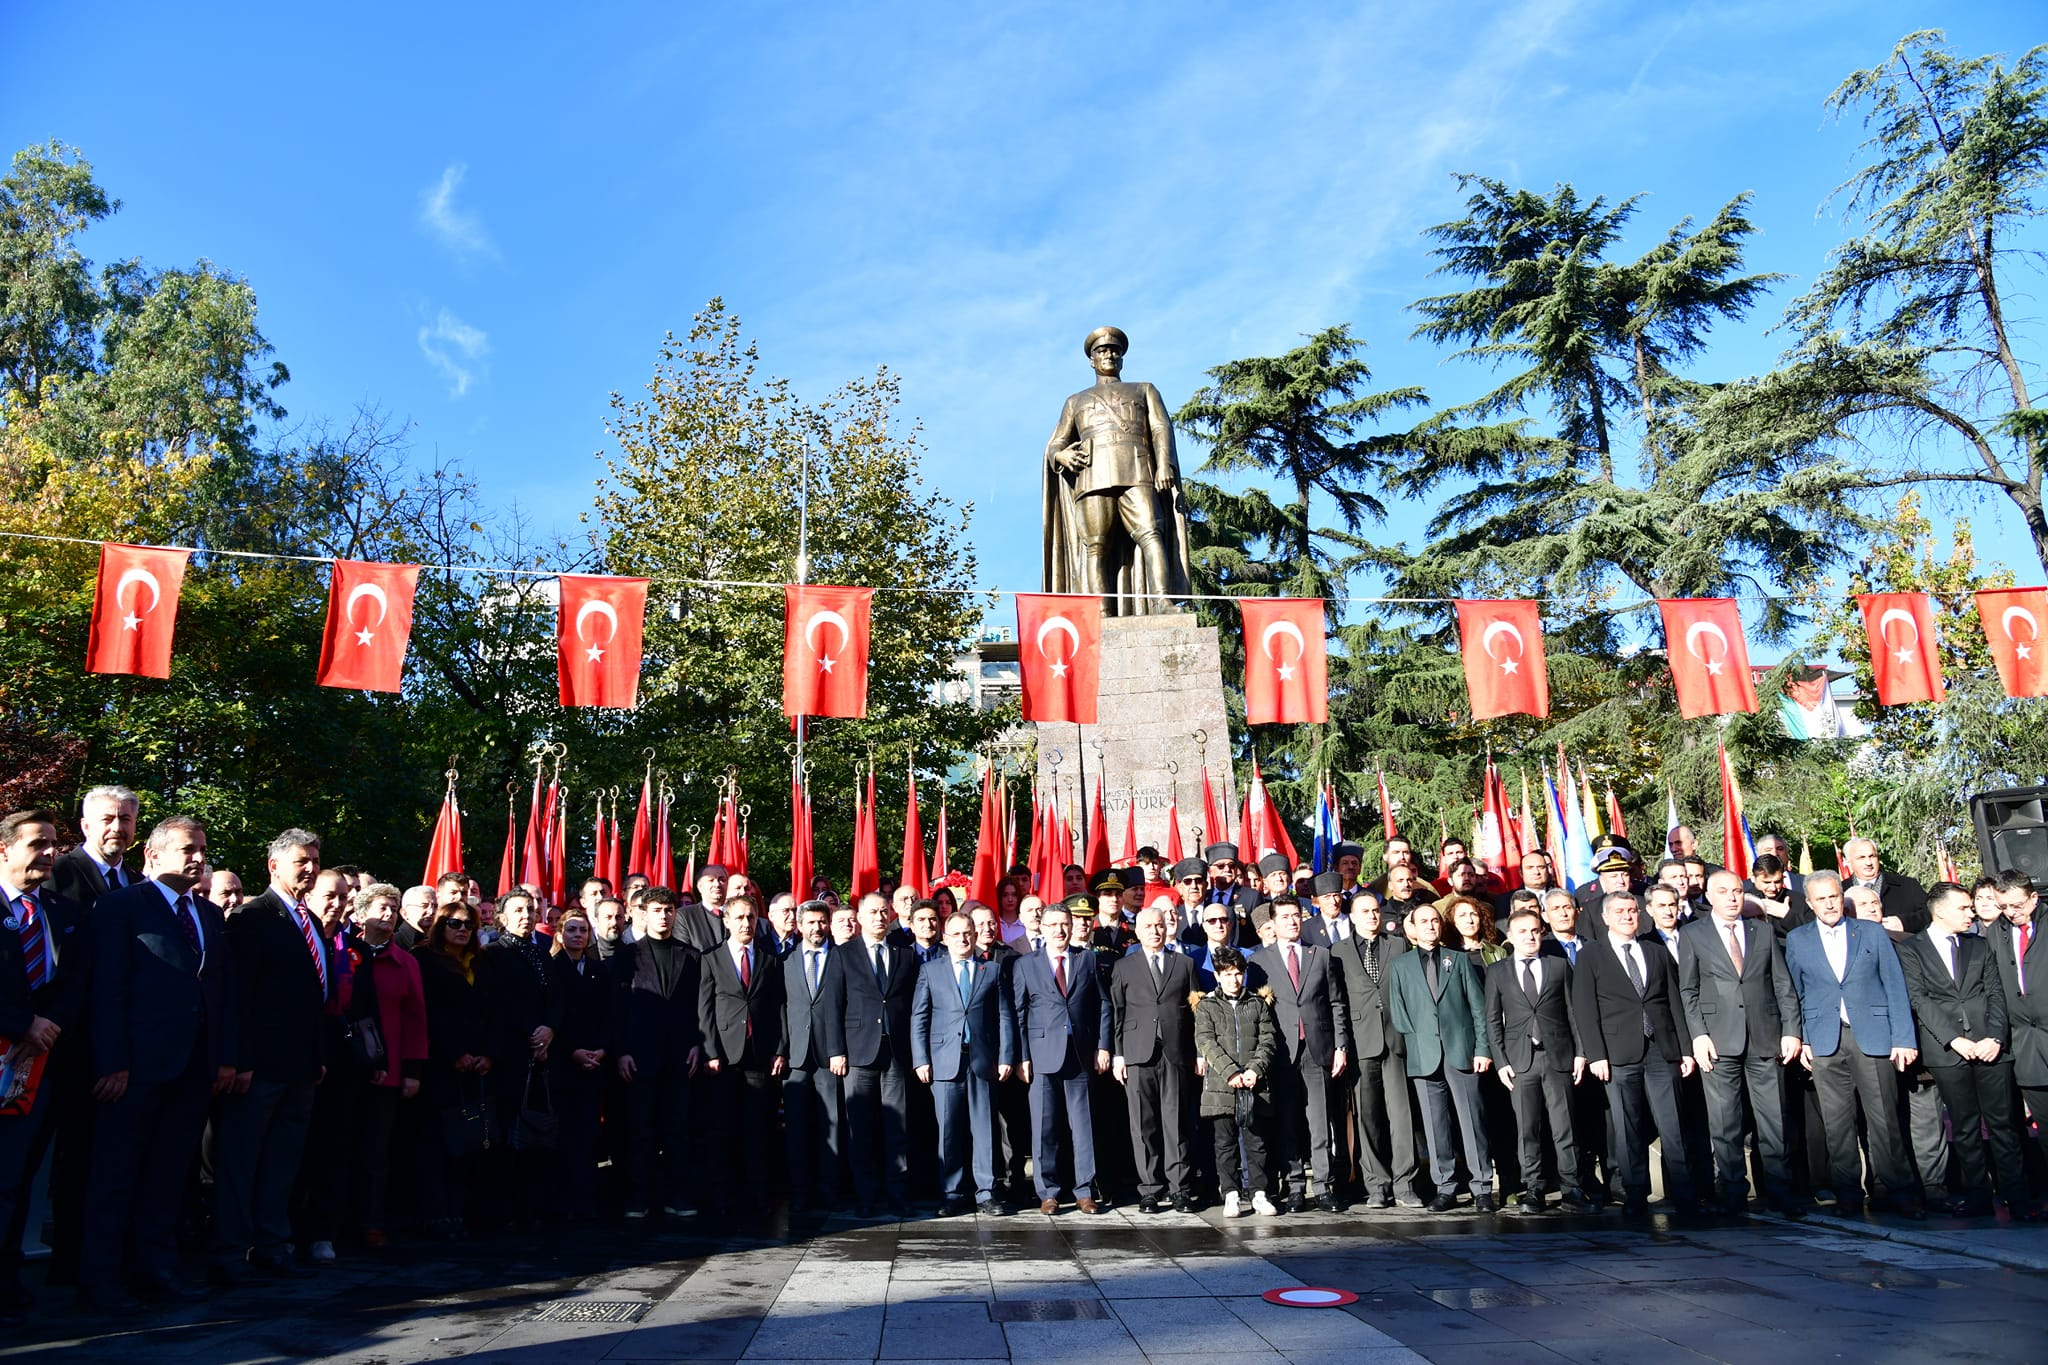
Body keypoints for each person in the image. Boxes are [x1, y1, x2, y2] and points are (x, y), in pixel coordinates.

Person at [73, 816, 230, 1309]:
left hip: (191, 1069)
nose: (198, 859)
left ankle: (154, 1269)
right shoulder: (121, 907)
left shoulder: (208, 916)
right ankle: (101, 1281)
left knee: (166, 1174)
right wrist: (112, 1061)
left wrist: (223, 1057)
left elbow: (219, 993)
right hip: (134, 1069)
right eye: (187, 849)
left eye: (202, 850)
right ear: (153, 856)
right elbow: (108, 990)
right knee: (115, 1175)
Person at [213, 829, 334, 1282]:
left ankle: (271, 1244)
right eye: (302, 860)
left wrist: (316, 1056)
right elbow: (239, 998)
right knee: (240, 1162)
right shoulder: (251, 918)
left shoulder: (309, 921)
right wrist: (239, 1060)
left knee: (282, 1163)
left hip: (301, 1067)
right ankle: (230, 1251)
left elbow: (314, 998)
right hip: (258, 1067)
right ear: (274, 866)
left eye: (315, 860)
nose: (310, 868)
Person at [1781, 871, 1923, 1218]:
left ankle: (1897, 1190)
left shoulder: (1871, 932)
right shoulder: (1798, 940)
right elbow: (1794, 994)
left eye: (1834, 897)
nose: (1829, 904)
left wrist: (1903, 1038)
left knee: (1885, 1119)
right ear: (1810, 904)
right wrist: (1803, 1038)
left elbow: (1895, 987)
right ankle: (1848, 1192)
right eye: (1822, 899)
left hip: (1873, 1037)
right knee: (1838, 1123)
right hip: (1825, 1041)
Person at [1897, 882, 2030, 1218]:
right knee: (1964, 1126)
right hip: (1947, 1051)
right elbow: (1919, 1000)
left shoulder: (1979, 946)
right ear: (1939, 910)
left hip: (1990, 1048)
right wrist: (1953, 1039)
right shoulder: (1912, 949)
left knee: (2003, 1125)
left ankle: (2017, 1197)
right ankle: (1977, 1197)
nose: (1971, 913)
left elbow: (1997, 994)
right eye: (1964, 908)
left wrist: (1995, 1038)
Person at [1041, 325, 1192, 613]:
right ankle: (1101, 614)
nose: (1108, 354)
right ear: (1092, 360)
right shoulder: (1075, 401)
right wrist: (1060, 457)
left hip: (1138, 470)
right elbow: (1056, 443)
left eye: (1114, 350)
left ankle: (1163, 600)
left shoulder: (1144, 389)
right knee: (1096, 547)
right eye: (1101, 351)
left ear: (1122, 358)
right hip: (1093, 475)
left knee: (1151, 533)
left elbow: (1161, 428)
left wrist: (1164, 465)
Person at [1678, 870, 1803, 1216]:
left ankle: (1780, 1190)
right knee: (1725, 1120)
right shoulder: (1693, 934)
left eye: (1737, 891)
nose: (1733, 897)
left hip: (1765, 1037)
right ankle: (1732, 1191)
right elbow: (1688, 990)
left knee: (1773, 1120)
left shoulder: (1761, 931)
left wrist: (1791, 1030)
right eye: (1724, 891)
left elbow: (1782, 985)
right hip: (1718, 1040)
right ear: (1709, 895)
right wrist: (1698, 1035)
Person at [1570, 890, 1697, 1214]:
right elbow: (1585, 1008)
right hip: (1617, 1054)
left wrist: (1684, 1049)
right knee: (1628, 1129)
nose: (1628, 916)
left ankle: (1684, 1195)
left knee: (1673, 1126)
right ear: (1606, 917)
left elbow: (1672, 1002)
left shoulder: (1654, 951)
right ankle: (1635, 1195)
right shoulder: (1591, 955)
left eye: (1632, 910)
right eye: (1621, 911)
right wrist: (1596, 1054)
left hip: (1661, 1050)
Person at [1483, 907, 1592, 1214]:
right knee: (1527, 1128)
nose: (1530, 937)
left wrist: (1581, 1053)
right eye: (1523, 932)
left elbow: (1573, 1012)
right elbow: (1492, 1021)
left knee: (1565, 1126)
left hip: (1558, 1058)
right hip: (1519, 1062)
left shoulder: (1558, 966)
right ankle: (1534, 1189)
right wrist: (1501, 1061)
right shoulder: (1498, 972)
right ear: (1510, 936)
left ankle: (1572, 1188)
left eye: (1534, 931)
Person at [1009, 899, 1113, 1214]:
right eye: (1052, 925)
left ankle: (1084, 1191)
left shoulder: (1087, 960)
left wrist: (1103, 1045)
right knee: (1045, 1128)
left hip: (1080, 1054)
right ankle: (1048, 1192)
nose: (1059, 930)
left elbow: (1104, 1005)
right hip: (1041, 1057)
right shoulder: (1025, 964)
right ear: (1041, 927)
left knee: (1083, 1127)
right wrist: (1022, 1056)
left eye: (1064, 924)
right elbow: (1019, 1013)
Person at [1388, 902, 1494, 1212]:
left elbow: (1478, 1008)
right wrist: (1420, 1042)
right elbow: (1400, 1012)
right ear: (1413, 929)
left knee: (1472, 1120)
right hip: (1425, 1055)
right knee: (1436, 1125)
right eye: (1424, 922)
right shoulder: (1401, 966)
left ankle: (1482, 1185)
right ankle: (1445, 1186)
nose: (1431, 926)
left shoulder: (1458, 960)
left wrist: (1481, 1049)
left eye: (1435, 920)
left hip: (1461, 1051)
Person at [911, 911, 1018, 1216]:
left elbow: (1005, 1016)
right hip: (945, 1061)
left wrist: (1006, 1056)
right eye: (956, 934)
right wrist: (921, 1058)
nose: (962, 939)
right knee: (948, 1129)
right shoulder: (931, 971)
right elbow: (919, 1017)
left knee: (985, 1128)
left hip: (982, 1060)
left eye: (967, 933)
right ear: (945, 939)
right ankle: (952, 1192)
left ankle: (986, 1192)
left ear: (975, 935)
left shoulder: (991, 970)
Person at [340, 884, 427, 1247]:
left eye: (394, 909)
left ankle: (372, 1220)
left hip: (388, 1069)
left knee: (377, 1150)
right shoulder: (343, 952)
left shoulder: (406, 961)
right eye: (382, 908)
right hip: (345, 1067)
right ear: (361, 915)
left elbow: (416, 1018)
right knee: (339, 1146)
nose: (389, 915)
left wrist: (412, 1070)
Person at [1250, 896, 1349, 1211]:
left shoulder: (1320, 955)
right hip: (1280, 1052)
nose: (1292, 922)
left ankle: (1322, 1186)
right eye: (1285, 917)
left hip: (1317, 1048)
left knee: (1319, 1122)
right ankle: (1294, 1185)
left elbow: (1336, 1003)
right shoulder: (1259, 962)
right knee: (1288, 1122)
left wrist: (1341, 1045)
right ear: (1274, 923)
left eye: (1297, 916)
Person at [611, 886, 703, 1221]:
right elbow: (617, 1008)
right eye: (657, 910)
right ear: (642, 913)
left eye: (669, 910)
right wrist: (621, 1051)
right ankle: (639, 1196)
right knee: (640, 1129)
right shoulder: (626, 955)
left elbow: (698, 1006)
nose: (663, 916)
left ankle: (677, 1195)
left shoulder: (691, 955)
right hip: (639, 1056)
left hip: (680, 1056)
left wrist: (695, 1042)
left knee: (678, 1128)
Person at [825, 892, 918, 1218]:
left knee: (898, 1128)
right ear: (860, 918)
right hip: (857, 1054)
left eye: (883, 911)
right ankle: (866, 1195)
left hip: (895, 1052)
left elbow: (912, 1007)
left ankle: (897, 1193)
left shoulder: (904, 955)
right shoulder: (843, 954)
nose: (879, 917)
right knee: (861, 1129)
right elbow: (832, 1006)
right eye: (872, 912)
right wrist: (836, 1051)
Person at [697, 894, 786, 1213]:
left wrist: (779, 1049)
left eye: (750, 917)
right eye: (739, 917)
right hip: (723, 1060)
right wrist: (710, 1050)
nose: (746, 923)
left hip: (759, 1057)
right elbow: (704, 1009)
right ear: (727, 922)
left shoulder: (769, 959)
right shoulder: (710, 958)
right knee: (722, 1130)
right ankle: (722, 1197)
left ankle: (756, 1197)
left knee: (758, 1130)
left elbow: (778, 1007)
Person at [1329, 893, 1417, 1209]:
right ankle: (1377, 1186)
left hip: (1396, 1039)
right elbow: (1337, 999)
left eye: (1376, 910)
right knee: (1368, 1118)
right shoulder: (1337, 952)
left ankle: (1405, 1184)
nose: (1372, 916)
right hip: (1360, 1041)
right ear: (1351, 916)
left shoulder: (1398, 945)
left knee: (1401, 1115)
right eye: (1364, 911)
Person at [1110, 906, 1198, 1213]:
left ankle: (1180, 1188)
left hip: (1176, 1052)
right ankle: (1149, 1189)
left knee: (1176, 1122)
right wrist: (1118, 1054)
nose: (1155, 931)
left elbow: (1196, 1013)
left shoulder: (1184, 964)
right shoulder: (1124, 966)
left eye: (1159, 925)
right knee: (1143, 1124)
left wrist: (1198, 1053)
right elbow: (1118, 1013)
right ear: (1137, 931)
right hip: (1137, 1052)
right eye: (1148, 926)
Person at [413, 902, 492, 1238]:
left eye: (468, 924)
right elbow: (428, 1013)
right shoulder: (424, 960)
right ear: (440, 926)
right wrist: (455, 1052)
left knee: (469, 1141)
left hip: (478, 1067)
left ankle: (462, 1211)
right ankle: (436, 1212)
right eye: (454, 923)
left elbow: (495, 1012)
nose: (462, 929)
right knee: (434, 1141)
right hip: (440, 1066)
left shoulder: (484, 962)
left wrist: (489, 1053)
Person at [1194, 947, 1277, 1217]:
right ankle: (1230, 1193)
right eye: (1227, 974)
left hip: (1254, 1083)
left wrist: (1254, 1069)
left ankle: (1259, 1193)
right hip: (1222, 1085)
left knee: (1256, 1142)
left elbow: (1268, 1040)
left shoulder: (1257, 1003)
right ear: (1218, 976)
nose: (1234, 980)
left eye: (1238, 973)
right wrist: (1230, 1072)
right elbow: (1206, 1041)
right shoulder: (1206, 1006)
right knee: (1225, 1143)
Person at [778, 900, 844, 1214]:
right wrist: (781, 1050)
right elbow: (780, 1009)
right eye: (812, 923)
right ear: (800, 926)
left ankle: (830, 1190)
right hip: (795, 1056)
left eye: (822, 922)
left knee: (831, 1125)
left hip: (830, 1056)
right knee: (797, 1128)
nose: (817, 928)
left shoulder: (842, 959)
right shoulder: (786, 961)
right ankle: (801, 1191)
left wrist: (839, 1050)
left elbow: (848, 1009)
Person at [547, 908, 611, 1220]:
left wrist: (601, 1049)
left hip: (594, 1063)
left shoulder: (599, 969)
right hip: (563, 1063)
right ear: (560, 934)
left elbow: (608, 1013)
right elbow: (553, 1015)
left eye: (583, 930)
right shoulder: (552, 968)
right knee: (563, 1135)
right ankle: (563, 1201)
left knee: (588, 1135)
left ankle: (586, 1201)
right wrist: (572, 1050)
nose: (578, 935)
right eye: (571, 930)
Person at [1987, 870, 2047, 1195]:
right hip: (2027, 1045)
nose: (2011, 912)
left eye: (2017, 905)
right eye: (2004, 906)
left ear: (2033, 898)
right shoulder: (1996, 932)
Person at [1843, 838, 1930, 935]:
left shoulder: (1907, 886)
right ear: (1848, 861)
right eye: (1861, 857)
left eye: (1872, 856)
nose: (1868, 863)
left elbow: (1932, 913)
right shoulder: (1840, 892)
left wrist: (1904, 923)